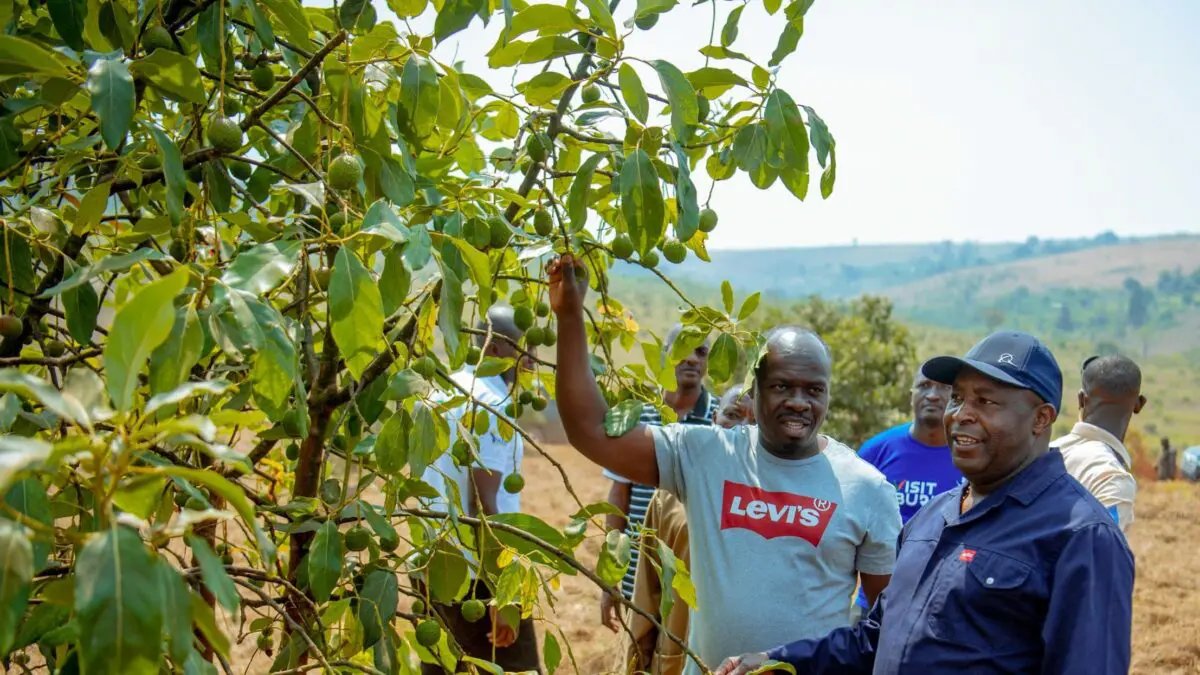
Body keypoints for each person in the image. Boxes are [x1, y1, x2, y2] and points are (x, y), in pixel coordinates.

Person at [548, 254, 902, 675]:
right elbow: (589, 431)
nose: (798, 401)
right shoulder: (705, 455)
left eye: (814, 390)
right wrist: (570, 315)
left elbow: (888, 623)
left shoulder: (866, 488)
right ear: (753, 392)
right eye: (782, 386)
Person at [716, 331, 1135, 675]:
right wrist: (775, 662)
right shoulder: (933, 518)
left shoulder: (1080, 536)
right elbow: (874, 640)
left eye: (985, 401)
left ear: (1041, 418)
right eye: (959, 397)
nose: (960, 414)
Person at [417, 306, 540, 674]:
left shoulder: (439, 393)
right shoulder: (493, 402)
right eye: (527, 349)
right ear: (498, 349)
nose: (534, 361)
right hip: (477, 579)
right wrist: (506, 594)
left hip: (433, 569)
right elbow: (482, 503)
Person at [626, 385, 753, 675]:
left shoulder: (781, 507)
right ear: (713, 422)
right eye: (732, 415)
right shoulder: (670, 499)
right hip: (675, 662)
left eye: (754, 422)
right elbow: (647, 594)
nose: (742, 429)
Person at [601, 326, 719, 631]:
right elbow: (619, 495)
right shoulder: (635, 413)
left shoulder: (722, 420)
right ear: (665, 355)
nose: (692, 359)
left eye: (701, 352)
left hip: (696, 577)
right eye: (682, 349)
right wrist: (610, 576)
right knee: (636, 653)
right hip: (637, 571)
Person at [851, 370, 961, 618]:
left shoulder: (969, 456)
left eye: (944, 388)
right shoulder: (876, 451)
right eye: (923, 386)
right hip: (872, 605)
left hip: (940, 609)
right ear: (911, 394)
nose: (932, 395)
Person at [1053, 354, 1145, 531]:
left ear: (1081, 399)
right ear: (1139, 404)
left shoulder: (1049, 450)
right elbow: (1101, 555)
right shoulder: (1112, 479)